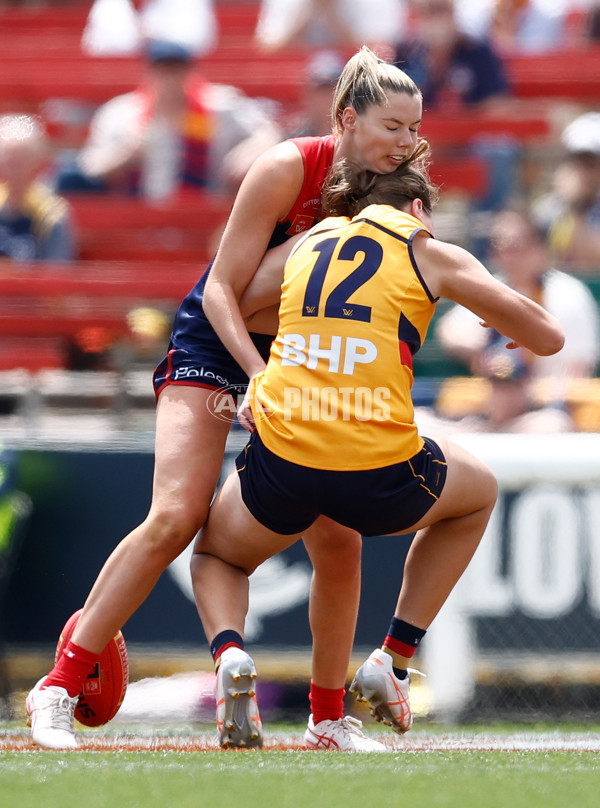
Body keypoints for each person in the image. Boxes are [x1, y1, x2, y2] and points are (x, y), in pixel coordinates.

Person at [25, 47, 427, 752]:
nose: (407, 141)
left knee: (337, 536)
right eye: (394, 126)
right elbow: (219, 291)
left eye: (414, 128)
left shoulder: (392, 190)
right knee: (176, 515)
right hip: (220, 342)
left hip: (297, 355)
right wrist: (255, 371)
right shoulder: (286, 166)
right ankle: (57, 685)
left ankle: (327, 720)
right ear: (347, 119)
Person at [190, 158, 564, 749]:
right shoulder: (427, 250)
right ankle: (391, 659)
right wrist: (503, 314)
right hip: (374, 467)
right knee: (477, 494)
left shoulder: (311, 238)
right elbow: (549, 338)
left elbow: (234, 297)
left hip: (287, 448)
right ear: (417, 209)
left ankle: (231, 653)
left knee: (217, 559)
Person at [56, 38, 281, 200]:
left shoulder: (219, 105)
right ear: (149, 72)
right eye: (162, 69)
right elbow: (90, 168)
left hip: (205, 216)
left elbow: (270, 132)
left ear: (189, 72)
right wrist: (126, 153)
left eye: (176, 69)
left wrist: (251, 152)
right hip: (137, 217)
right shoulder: (121, 113)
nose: (169, 78)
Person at [0, 114, 75, 262]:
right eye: (9, 159)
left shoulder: (52, 215)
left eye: (21, 160)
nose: (14, 167)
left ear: (37, 164)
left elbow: (57, 273)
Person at [535, 111, 600, 273]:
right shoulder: (548, 208)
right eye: (576, 162)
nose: (581, 171)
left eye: (589, 163)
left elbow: (590, 265)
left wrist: (575, 207)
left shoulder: (571, 204)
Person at [255, 0, 406, 56]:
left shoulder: (378, 3)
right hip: (300, 85)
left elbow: (380, 54)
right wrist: (310, 11)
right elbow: (265, 51)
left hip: (360, 86)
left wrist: (331, 13)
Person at [81, 0, 218, 58]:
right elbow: (97, 47)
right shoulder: (111, 3)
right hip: (110, 93)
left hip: (176, 84)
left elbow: (197, 41)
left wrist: (147, 39)